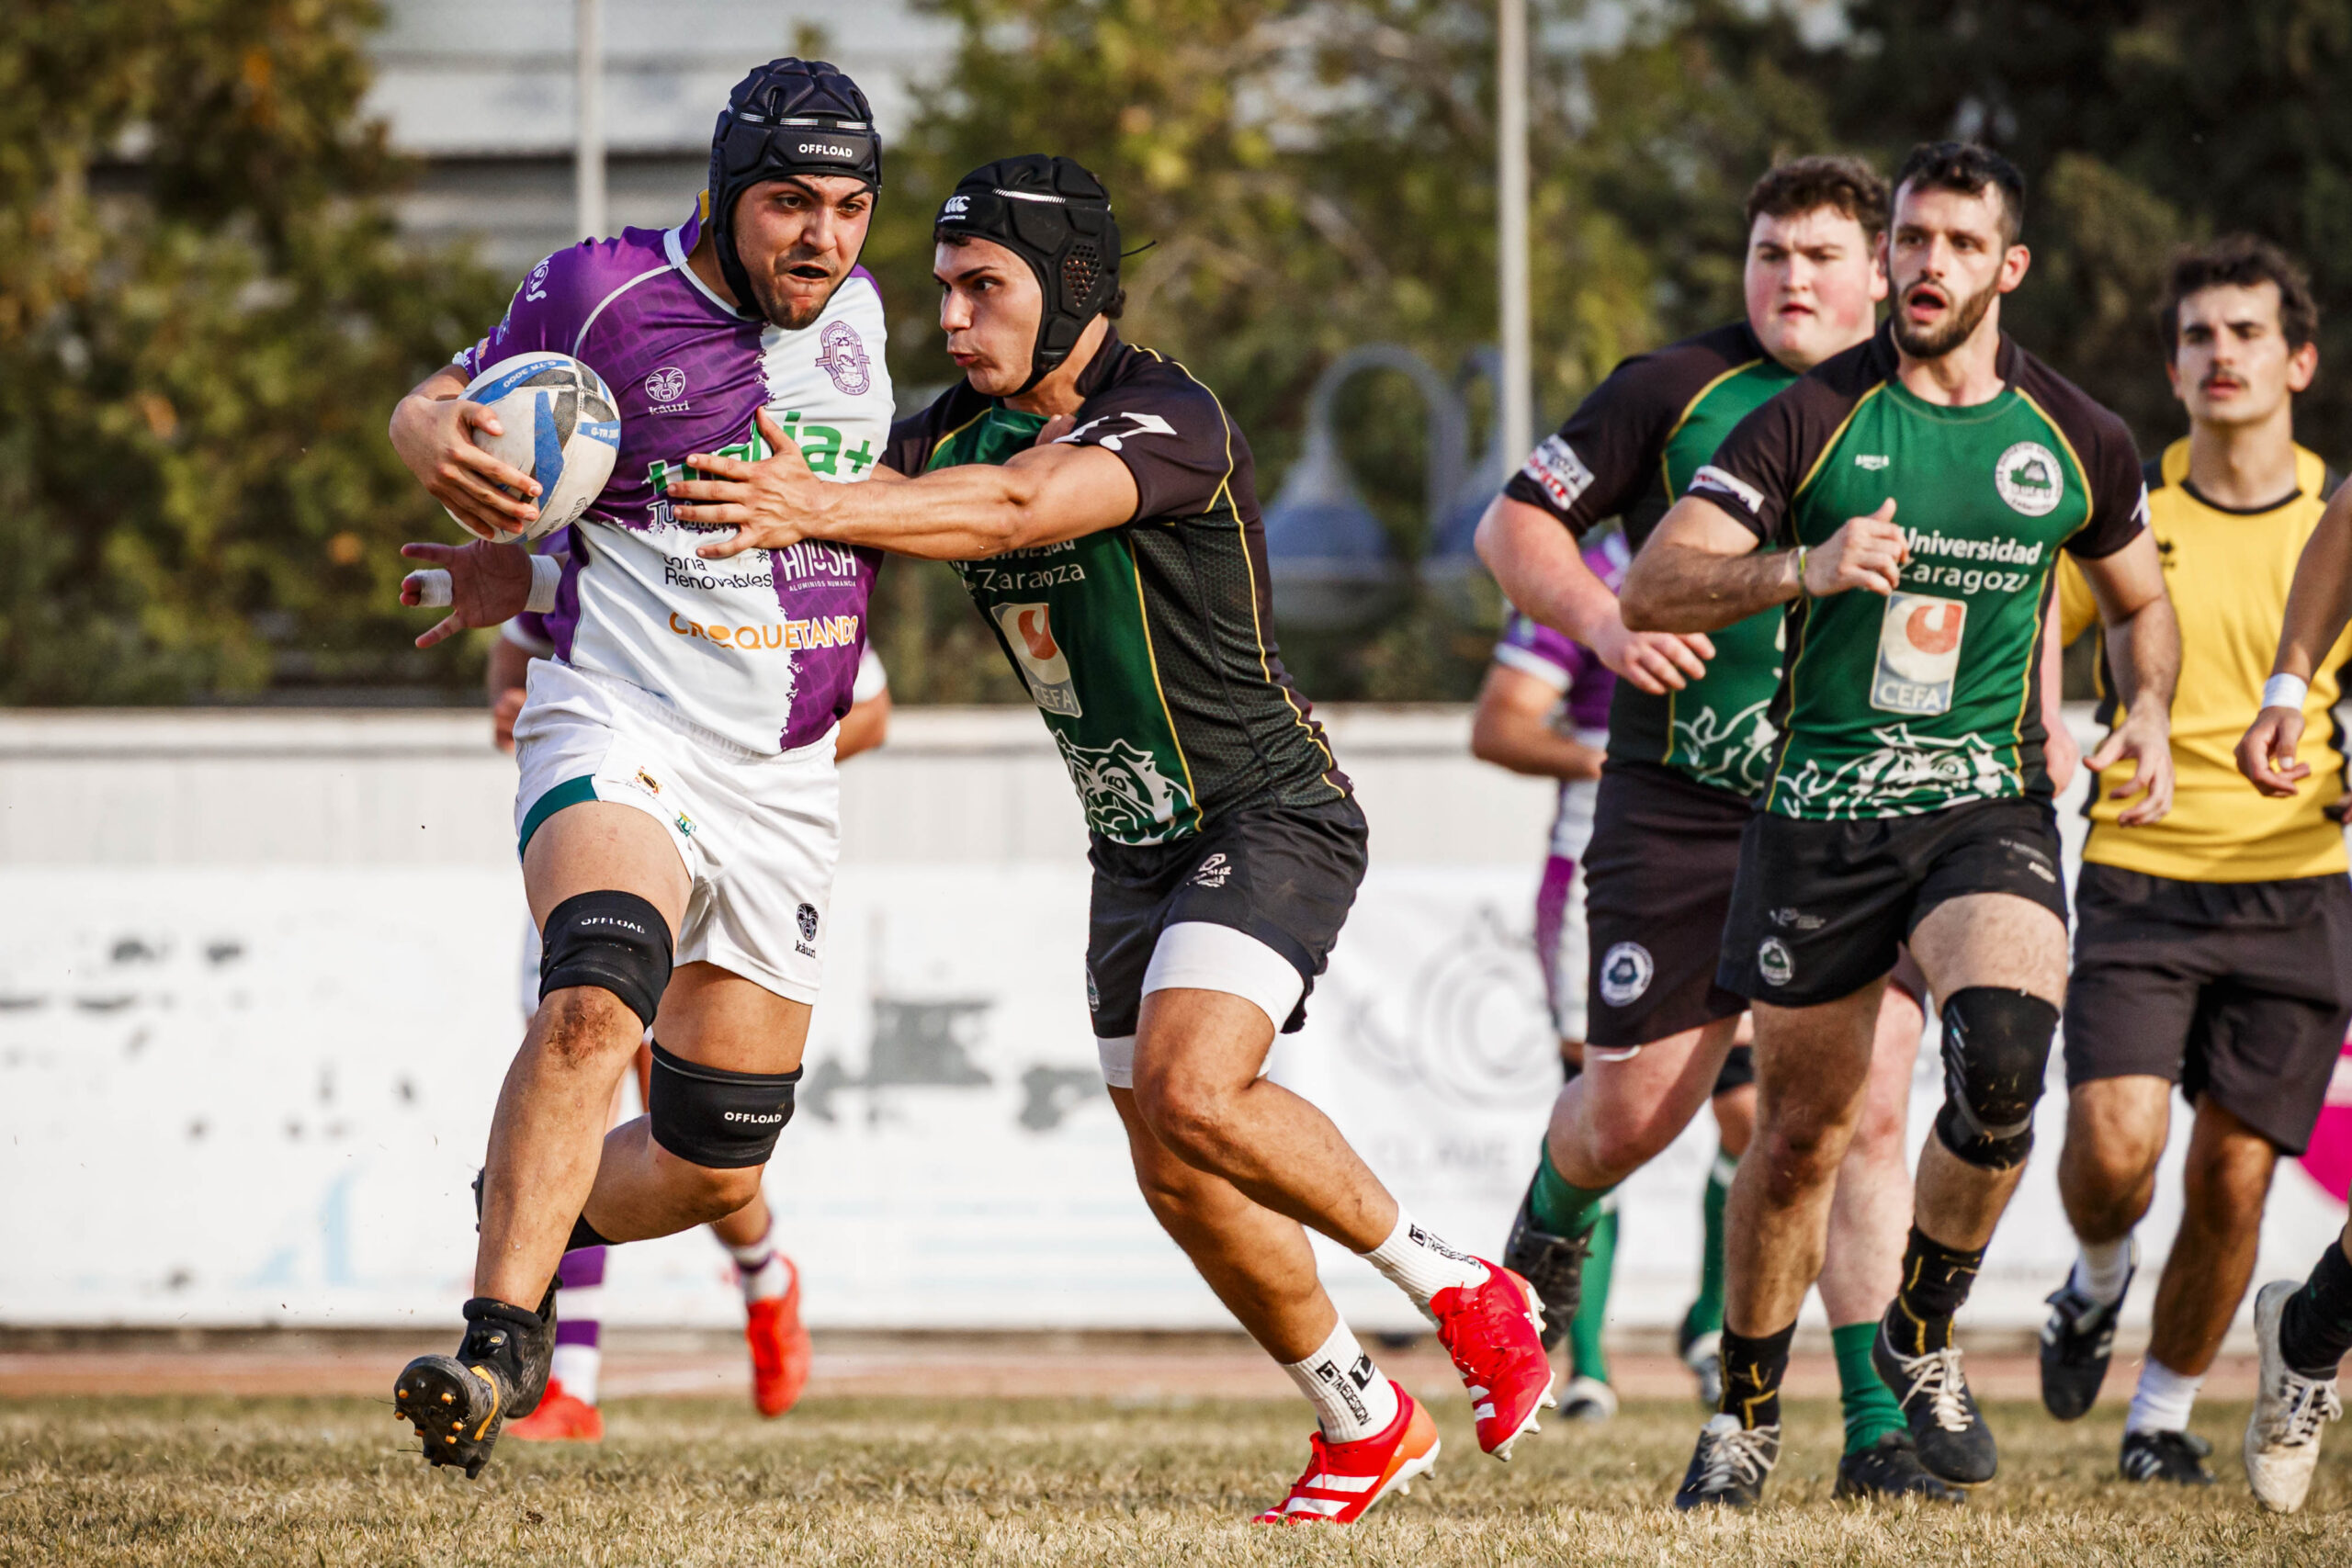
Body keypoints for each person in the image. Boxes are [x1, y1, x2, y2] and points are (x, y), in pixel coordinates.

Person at [657, 152, 1555, 1524]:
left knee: (1199, 1088)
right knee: (1175, 1169)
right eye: (944, 289)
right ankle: (1363, 1415)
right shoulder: (936, 436)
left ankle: (1462, 1283)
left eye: (983, 288)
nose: (952, 318)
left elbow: (1022, 507)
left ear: (1071, 285)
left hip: (1271, 808)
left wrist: (823, 505)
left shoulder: (1168, 414)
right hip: (1133, 843)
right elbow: (809, 526)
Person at [1621, 140, 2178, 1506]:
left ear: (2011, 267)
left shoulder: (2075, 437)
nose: (1927, 268)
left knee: (2002, 1058)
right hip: (1815, 812)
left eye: (1957, 246)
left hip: (1981, 805)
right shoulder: (1807, 418)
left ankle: (1923, 1328)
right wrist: (1801, 565)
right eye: (1911, 243)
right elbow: (1650, 585)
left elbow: (2142, 604)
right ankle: (1745, 1411)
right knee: (1800, 1140)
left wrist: (2146, 707)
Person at [381, 58, 899, 1478]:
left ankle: (530, 1208)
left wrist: (528, 558)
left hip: (785, 777)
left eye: (851, 207)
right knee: (591, 998)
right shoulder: (598, 291)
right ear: (728, 195)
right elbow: (440, 400)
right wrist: (436, 439)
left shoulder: (862, 321)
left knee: (718, 1155)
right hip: (619, 725)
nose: (824, 238)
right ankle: (501, 1344)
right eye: (792, 202)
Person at [1475, 155, 1956, 1500]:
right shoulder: (1664, 389)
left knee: (1857, 1117)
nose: (1791, 279)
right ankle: (1550, 1227)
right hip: (1679, 803)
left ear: (1880, 270)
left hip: (1858, 809)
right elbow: (1511, 528)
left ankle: (1875, 1431)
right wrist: (1605, 618)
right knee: (1635, 1106)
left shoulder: (1943, 405)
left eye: (1818, 255)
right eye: (1768, 253)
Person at [2041, 237, 2349, 1486]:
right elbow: (2028, 640)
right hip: (2142, 866)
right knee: (2117, 1150)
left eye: (2248, 332)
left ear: (2301, 360)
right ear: (2171, 367)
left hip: (2299, 882)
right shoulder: (2128, 515)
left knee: (2234, 1175)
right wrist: (2049, 737)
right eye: (2200, 336)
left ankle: (2158, 1418)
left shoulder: (2337, 510)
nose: (2223, 354)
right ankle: (2093, 1280)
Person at [1467, 535, 1758, 1421]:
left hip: (1744, 858)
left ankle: (1708, 1325)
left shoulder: (1762, 550)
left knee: (1751, 1110)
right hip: (1605, 869)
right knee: (1604, 1113)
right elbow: (1500, 723)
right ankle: (1585, 1363)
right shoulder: (1587, 573)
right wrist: (1625, 766)